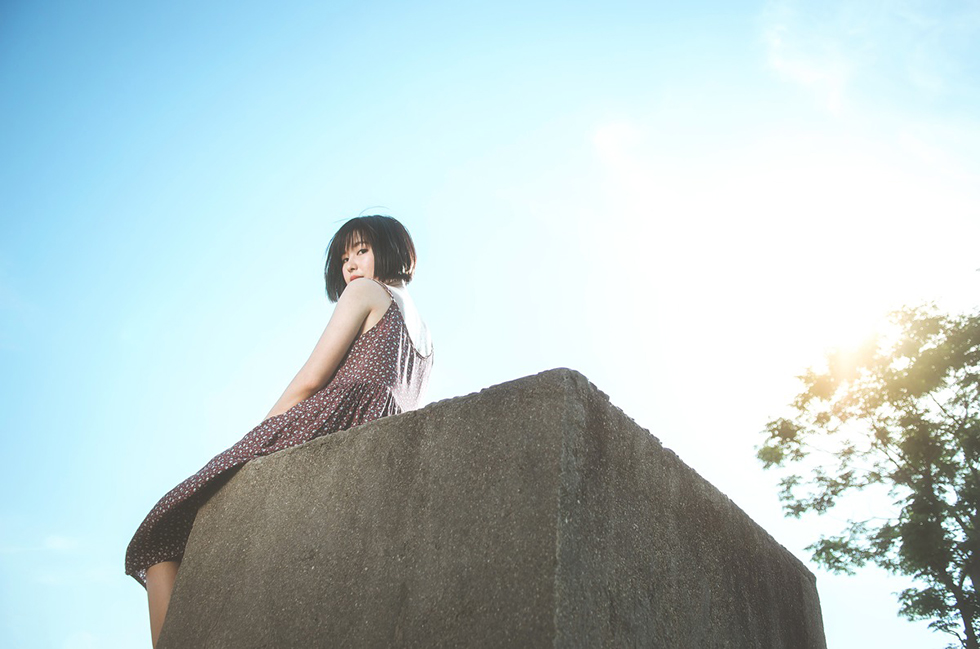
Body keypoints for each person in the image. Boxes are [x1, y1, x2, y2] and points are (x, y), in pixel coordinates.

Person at [125, 215, 433, 647]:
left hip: (322, 422)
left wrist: (259, 433)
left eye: (361, 250)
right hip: (374, 447)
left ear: (393, 249)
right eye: (344, 258)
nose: (350, 265)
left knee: (158, 533)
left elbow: (310, 380)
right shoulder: (426, 341)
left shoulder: (366, 292)